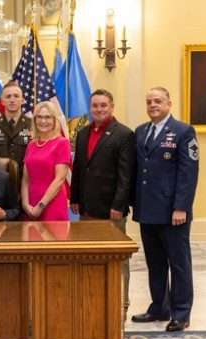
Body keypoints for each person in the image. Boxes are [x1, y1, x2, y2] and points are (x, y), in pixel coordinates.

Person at [131, 87, 199, 332]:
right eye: (149, 102)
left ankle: (181, 313)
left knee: (178, 263)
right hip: (148, 209)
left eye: (157, 101)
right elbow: (139, 172)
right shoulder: (141, 132)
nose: (152, 105)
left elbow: (188, 174)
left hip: (173, 213)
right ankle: (159, 307)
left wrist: (181, 207)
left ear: (169, 104)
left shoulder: (183, 131)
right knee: (155, 263)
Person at [70, 89, 136, 316]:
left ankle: (121, 305)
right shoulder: (83, 133)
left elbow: (126, 175)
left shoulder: (124, 134)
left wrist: (119, 205)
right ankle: (93, 301)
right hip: (86, 208)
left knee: (117, 259)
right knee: (89, 256)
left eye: (103, 105)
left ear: (112, 107)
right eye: (95, 105)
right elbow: (79, 167)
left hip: (111, 210)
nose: (98, 109)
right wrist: (75, 198)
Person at [21, 101, 71, 221]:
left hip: (52, 202)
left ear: (54, 120)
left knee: (53, 238)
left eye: (48, 117)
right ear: (35, 120)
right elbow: (25, 179)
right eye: (40, 117)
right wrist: (25, 204)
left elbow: (59, 179)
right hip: (31, 203)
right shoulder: (31, 144)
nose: (43, 121)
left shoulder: (62, 143)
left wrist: (41, 205)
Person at [0, 81, 31, 177]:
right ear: (2, 101)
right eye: (8, 96)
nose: (12, 100)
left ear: (23, 100)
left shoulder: (33, 126)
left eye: (16, 96)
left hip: (26, 182)